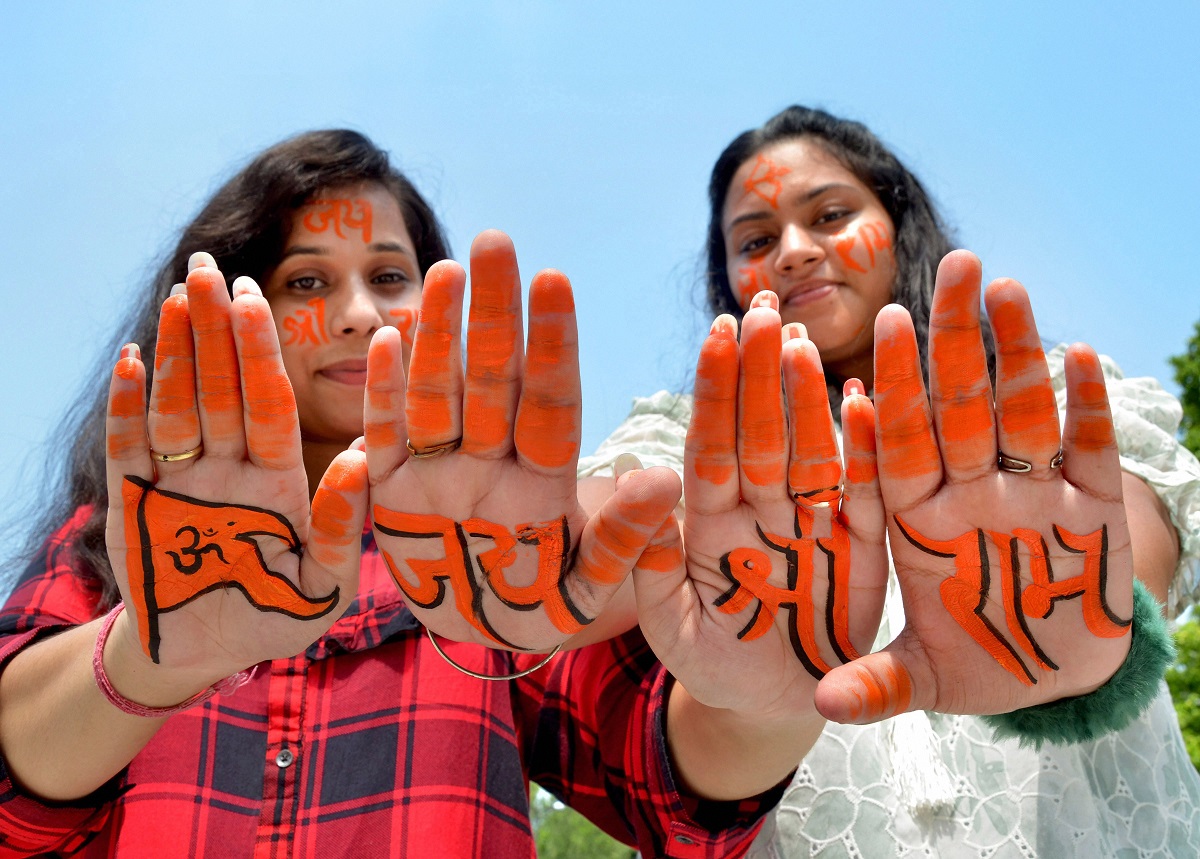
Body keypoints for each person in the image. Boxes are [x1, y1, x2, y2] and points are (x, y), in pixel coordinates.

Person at [0, 129, 809, 857]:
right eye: (306, 280)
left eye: (389, 275)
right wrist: (148, 659)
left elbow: (673, 787)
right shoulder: (133, 535)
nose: (358, 313)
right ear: (237, 304)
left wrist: (767, 701)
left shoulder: (489, 550)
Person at [578, 105, 1200, 857]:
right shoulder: (696, 438)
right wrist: (528, 551)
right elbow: (590, 542)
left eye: (830, 215)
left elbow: (1138, 531)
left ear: (898, 222)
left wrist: (1071, 601)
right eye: (757, 241)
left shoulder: (1038, 397)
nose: (794, 252)